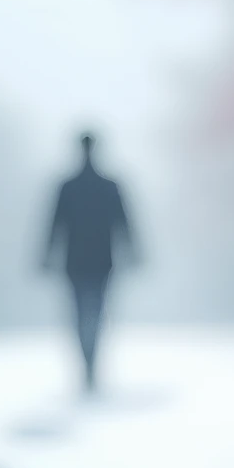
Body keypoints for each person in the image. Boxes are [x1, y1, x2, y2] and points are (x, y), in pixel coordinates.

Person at [40, 131, 139, 391]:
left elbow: (54, 226)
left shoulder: (69, 186)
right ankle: (89, 365)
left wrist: (46, 256)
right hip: (99, 261)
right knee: (93, 312)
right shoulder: (107, 186)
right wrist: (133, 252)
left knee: (82, 313)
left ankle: (89, 365)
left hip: (79, 262)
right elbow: (124, 224)